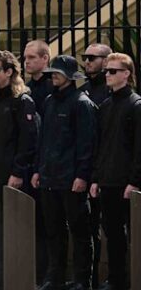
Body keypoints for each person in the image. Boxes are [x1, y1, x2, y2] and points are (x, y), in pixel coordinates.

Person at [0, 50, 39, 290]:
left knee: (11, 228)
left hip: (10, 175)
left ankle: (10, 273)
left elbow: (28, 139)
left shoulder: (21, 101)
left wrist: (18, 171)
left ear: (9, 72)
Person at [32, 55, 96, 290]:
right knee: (54, 231)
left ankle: (82, 280)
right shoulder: (50, 101)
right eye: (52, 73)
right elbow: (44, 138)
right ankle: (55, 277)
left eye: (57, 72)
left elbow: (86, 143)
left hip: (71, 179)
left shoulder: (81, 103)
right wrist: (39, 170)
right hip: (50, 177)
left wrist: (82, 175)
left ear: (70, 76)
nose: (53, 76)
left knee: (80, 231)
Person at [89, 53, 141, 290]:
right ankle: (116, 279)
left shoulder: (136, 105)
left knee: (133, 234)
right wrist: (96, 178)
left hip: (127, 182)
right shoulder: (106, 106)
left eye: (113, 71)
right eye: (106, 71)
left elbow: (139, 147)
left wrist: (134, 181)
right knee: (112, 234)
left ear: (126, 74)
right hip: (108, 179)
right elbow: (101, 145)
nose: (107, 75)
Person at [79, 43, 112, 289]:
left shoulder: (112, 94)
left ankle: (113, 278)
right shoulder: (83, 91)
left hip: (107, 171)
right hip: (84, 170)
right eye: (85, 57)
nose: (87, 62)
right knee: (87, 230)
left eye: (92, 58)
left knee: (112, 229)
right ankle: (88, 279)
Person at [23, 39, 54, 283]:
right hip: (30, 164)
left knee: (47, 225)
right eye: (25, 58)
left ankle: (47, 274)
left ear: (45, 59)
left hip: (48, 166)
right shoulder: (26, 89)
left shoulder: (50, 89)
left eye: (32, 57)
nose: (27, 62)